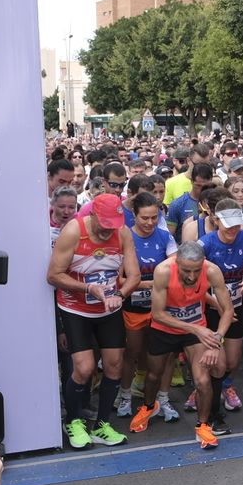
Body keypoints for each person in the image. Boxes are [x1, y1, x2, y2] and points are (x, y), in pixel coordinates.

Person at [47, 193, 138, 450]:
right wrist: (88, 289)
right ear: (93, 214)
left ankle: (101, 425)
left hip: (108, 309)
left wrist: (119, 295)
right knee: (84, 368)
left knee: (114, 366)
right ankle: (73, 421)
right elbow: (53, 275)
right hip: (76, 309)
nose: (109, 228)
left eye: (114, 223)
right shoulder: (74, 230)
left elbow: (134, 275)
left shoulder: (122, 233)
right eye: (105, 223)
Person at [137, 241, 232, 448]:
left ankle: (203, 426)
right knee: (154, 374)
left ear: (203, 263)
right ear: (176, 261)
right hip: (165, 329)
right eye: (186, 270)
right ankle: (148, 407)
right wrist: (196, 329)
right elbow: (158, 314)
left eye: (196, 271)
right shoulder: (163, 270)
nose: (191, 276)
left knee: (202, 380)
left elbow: (228, 310)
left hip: (196, 329)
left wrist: (216, 340)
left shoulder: (213, 271)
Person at [198, 200, 243, 424]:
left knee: (233, 362)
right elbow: (195, 288)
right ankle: (204, 393)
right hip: (211, 308)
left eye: (236, 226)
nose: (233, 231)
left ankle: (225, 386)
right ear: (216, 221)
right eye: (228, 227)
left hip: (236, 305)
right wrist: (220, 307)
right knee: (218, 362)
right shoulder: (205, 244)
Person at [117, 192, 177, 420]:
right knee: (131, 352)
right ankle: (124, 397)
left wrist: (144, 282)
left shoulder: (164, 237)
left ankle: (163, 399)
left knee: (167, 355)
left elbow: (176, 269)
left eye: (154, 217)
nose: (150, 223)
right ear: (134, 216)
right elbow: (120, 280)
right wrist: (151, 283)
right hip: (134, 307)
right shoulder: (125, 238)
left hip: (162, 307)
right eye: (144, 218)